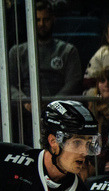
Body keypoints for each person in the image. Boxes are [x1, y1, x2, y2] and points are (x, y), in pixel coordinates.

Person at [8, 1, 83, 135]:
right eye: (37, 20)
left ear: (53, 19)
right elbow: (9, 84)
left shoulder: (68, 51)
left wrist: (52, 104)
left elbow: (73, 82)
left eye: (46, 19)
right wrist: (26, 102)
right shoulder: (17, 52)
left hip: (58, 111)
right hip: (24, 111)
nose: (42, 24)